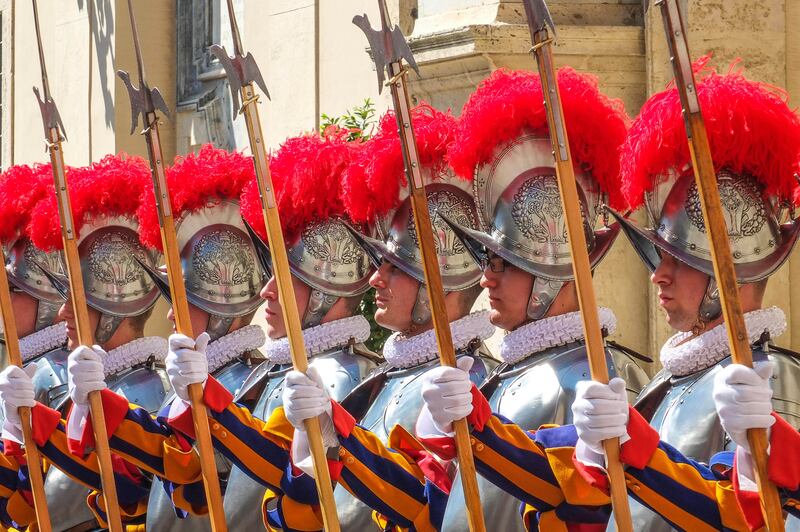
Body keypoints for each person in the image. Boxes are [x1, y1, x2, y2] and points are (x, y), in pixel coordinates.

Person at [283, 68, 650, 531]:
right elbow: (432, 507)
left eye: (504, 263)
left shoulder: (596, 375)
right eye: (488, 261)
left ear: (550, 272)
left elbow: (589, 508)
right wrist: (332, 433)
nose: (487, 277)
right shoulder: (492, 380)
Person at [166, 129, 381, 531]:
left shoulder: (337, 376)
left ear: (323, 289)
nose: (266, 291)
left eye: (285, 277)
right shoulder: (271, 373)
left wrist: (209, 399)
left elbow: (307, 500)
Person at [0, 154, 170, 530]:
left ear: (112, 307)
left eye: (76, 300)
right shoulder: (81, 387)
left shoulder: (147, 396)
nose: (64, 313)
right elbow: (25, 508)